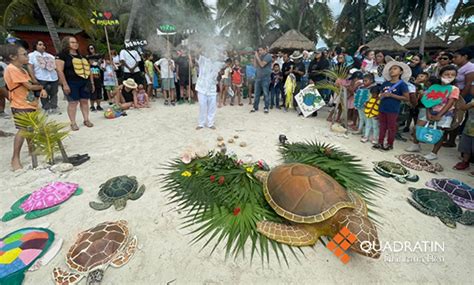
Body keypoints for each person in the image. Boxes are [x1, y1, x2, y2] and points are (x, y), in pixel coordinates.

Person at [1, 44, 47, 170]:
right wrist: (42, 87)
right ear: (12, 57)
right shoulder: (12, 69)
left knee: (30, 128)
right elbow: (30, 86)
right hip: (20, 104)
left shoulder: (23, 69)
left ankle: (33, 150)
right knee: (22, 130)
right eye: (24, 54)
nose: (27, 56)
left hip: (29, 103)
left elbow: (32, 83)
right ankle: (15, 158)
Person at [405, 66, 460, 160]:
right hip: (429, 111)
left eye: (452, 75)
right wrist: (428, 112)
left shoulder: (454, 89)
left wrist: (439, 115)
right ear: (440, 75)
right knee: (418, 127)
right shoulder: (434, 87)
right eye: (446, 74)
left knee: (439, 132)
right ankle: (415, 145)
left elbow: (450, 103)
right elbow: (427, 100)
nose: (449, 76)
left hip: (445, 114)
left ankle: (434, 153)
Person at [55, 36, 94, 131]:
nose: (75, 44)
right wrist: (64, 84)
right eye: (72, 42)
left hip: (84, 81)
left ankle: (86, 119)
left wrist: (92, 83)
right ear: (66, 44)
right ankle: (73, 122)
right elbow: (60, 70)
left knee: (84, 101)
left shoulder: (82, 56)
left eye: (76, 42)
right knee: (73, 102)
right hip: (71, 82)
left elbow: (89, 70)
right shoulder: (61, 56)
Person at [372, 60, 411, 151]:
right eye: (390, 69)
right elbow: (380, 94)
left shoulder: (402, 84)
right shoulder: (385, 83)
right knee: (382, 126)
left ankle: (390, 144)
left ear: (401, 72)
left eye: (395, 68)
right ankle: (380, 142)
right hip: (382, 107)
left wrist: (392, 95)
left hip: (393, 109)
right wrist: (380, 96)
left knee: (391, 127)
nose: (392, 71)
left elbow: (406, 98)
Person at [444, 47, 474, 147]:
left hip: (463, 95)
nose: (453, 59)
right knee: (450, 115)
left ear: (465, 57)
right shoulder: (457, 67)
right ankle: (445, 137)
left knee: (457, 116)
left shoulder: (470, 68)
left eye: (456, 57)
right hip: (454, 93)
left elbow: (468, 85)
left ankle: (451, 140)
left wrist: (459, 99)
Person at [27, 40, 59, 114]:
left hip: (53, 77)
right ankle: (46, 108)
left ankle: (54, 107)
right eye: (40, 44)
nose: (42, 46)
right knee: (44, 93)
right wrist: (33, 78)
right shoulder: (31, 55)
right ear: (35, 46)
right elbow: (30, 67)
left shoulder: (49, 55)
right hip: (41, 77)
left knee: (54, 92)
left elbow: (55, 66)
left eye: (43, 44)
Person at [194, 48, 223, 130]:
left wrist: (220, 75)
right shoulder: (203, 60)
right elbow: (196, 54)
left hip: (212, 89)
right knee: (202, 106)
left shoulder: (218, 64)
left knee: (212, 107)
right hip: (202, 87)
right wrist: (201, 48)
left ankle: (210, 123)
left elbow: (219, 77)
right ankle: (201, 123)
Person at [453, 99, 474, 174]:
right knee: (465, 147)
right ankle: (465, 162)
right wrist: (470, 104)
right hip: (469, 127)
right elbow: (462, 108)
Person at [354, 73, 376, 140]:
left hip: (367, 106)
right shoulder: (361, 87)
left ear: (371, 81)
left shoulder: (373, 88)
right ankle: (359, 130)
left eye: (366, 81)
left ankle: (366, 134)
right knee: (361, 118)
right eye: (363, 80)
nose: (364, 82)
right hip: (360, 105)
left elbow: (371, 97)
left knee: (367, 120)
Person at [250, 46, 272, 113]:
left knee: (265, 93)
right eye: (258, 50)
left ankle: (266, 107)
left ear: (265, 50)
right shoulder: (259, 56)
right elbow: (255, 66)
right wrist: (255, 57)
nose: (259, 52)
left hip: (265, 78)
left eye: (261, 50)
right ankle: (255, 107)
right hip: (258, 77)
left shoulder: (268, 56)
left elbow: (262, 64)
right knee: (256, 93)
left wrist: (257, 57)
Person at [0, 56, 11, 120]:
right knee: (4, 95)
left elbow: (5, 71)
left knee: (3, 95)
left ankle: (1, 111)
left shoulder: (1, 63)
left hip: (1, 79)